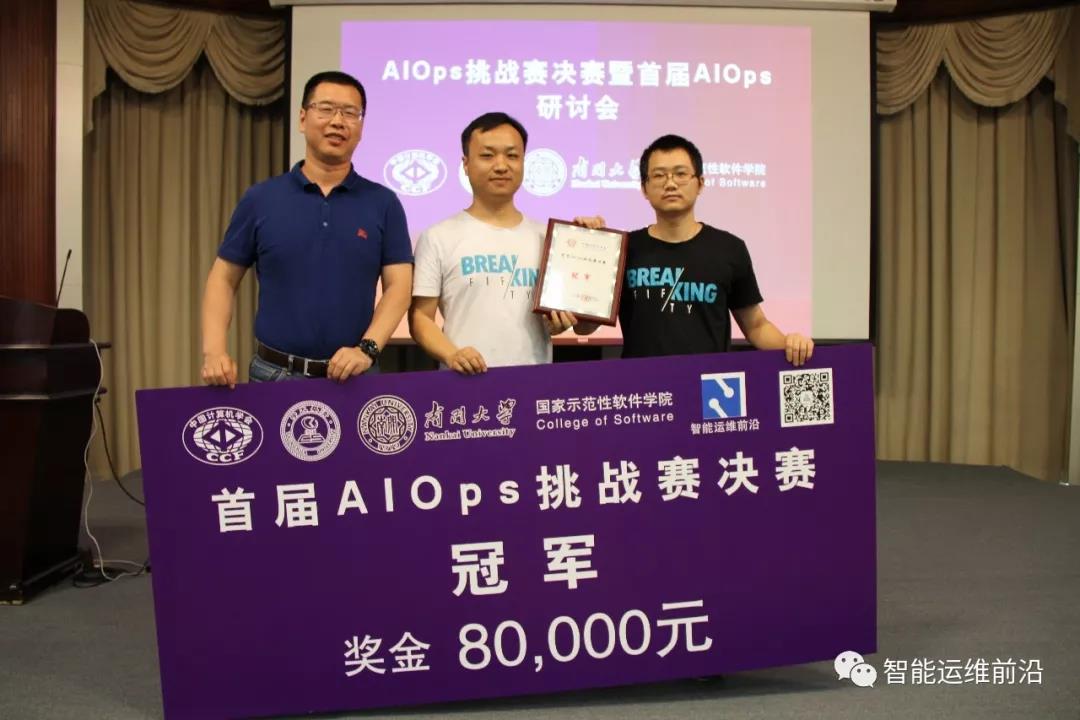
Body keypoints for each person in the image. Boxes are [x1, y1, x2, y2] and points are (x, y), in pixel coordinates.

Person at [200, 71, 413, 387]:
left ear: (361, 127)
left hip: (354, 378)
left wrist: (367, 349)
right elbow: (223, 277)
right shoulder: (261, 199)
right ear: (302, 118)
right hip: (273, 376)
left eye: (350, 113)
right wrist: (214, 351)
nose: (337, 121)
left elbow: (399, 287)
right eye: (326, 109)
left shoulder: (383, 202)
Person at [409, 112, 593, 375]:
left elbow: (584, 325)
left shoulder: (550, 239)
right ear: (465, 164)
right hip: (464, 382)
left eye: (512, 155)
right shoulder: (438, 236)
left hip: (533, 383)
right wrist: (452, 354)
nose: (501, 165)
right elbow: (420, 318)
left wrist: (590, 242)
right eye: (487, 155)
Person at [619, 134, 813, 366]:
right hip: (642, 383)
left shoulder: (729, 249)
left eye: (681, 174)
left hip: (708, 383)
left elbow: (755, 326)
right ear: (644, 188)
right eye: (659, 175)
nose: (670, 184)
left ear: (700, 183)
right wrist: (587, 239)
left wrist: (790, 344)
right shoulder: (625, 249)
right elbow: (586, 327)